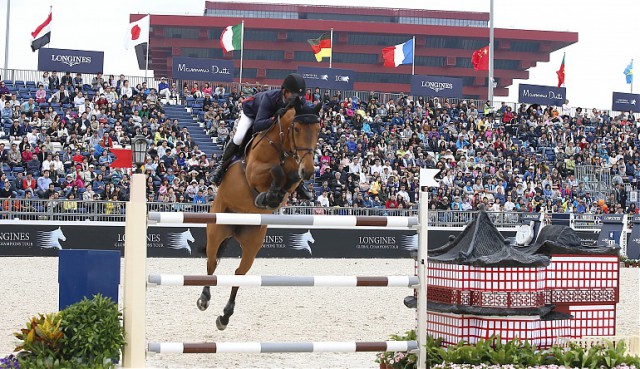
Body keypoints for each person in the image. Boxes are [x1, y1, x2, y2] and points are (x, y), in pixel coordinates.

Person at [211, 73, 313, 200]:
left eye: (300, 96)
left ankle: (299, 183)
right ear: (285, 92)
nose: (298, 99)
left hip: (273, 120)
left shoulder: (299, 100)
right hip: (253, 113)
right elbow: (258, 125)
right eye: (294, 95)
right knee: (239, 137)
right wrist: (275, 117)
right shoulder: (270, 98)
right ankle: (221, 168)